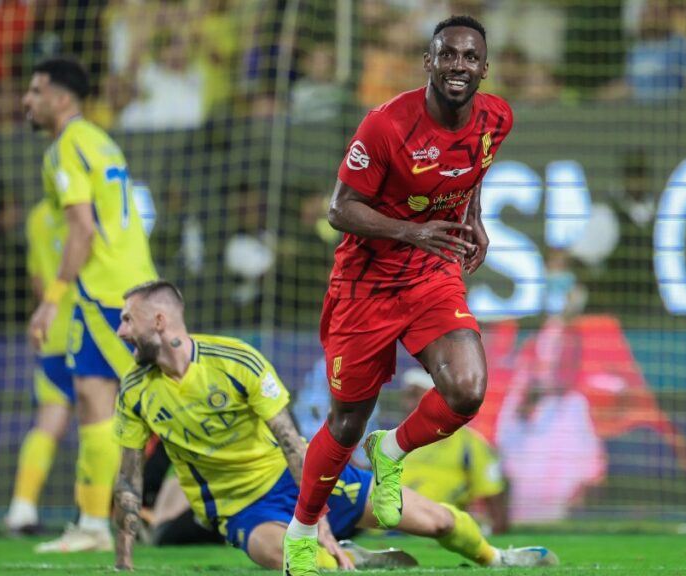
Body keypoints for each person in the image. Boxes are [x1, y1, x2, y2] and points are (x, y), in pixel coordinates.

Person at [111, 280, 559, 571]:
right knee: (306, 565)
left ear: (159, 320)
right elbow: (129, 477)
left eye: (127, 319)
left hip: (299, 481)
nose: (120, 331)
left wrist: (314, 517)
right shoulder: (134, 391)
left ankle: (497, 557)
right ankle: (349, 557)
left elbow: (290, 442)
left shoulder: (237, 362)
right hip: (242, 509)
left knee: (439, 522)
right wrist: (123, 560)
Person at [284, 15, 516, 575]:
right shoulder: (386, 126)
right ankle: (300, 533)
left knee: (467, 389)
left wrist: (475, 218)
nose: (458, 65)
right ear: (429, 62)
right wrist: (413, 230)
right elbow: (340, 209)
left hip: (431, 273)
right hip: (364, 285)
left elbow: (474, 165)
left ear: (483, 68)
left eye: (469, 57)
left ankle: (391, 450)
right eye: (448, 55)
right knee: (345, 423)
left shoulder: (497, 117)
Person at [22, 56, 158, 552]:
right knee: (93, 400)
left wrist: (50, 301)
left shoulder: (66, 147)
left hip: (106, 291)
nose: (26, 100)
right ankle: (92, 524)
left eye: (35, 91)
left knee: (159, 404)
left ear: (61, 98)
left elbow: (83, 228)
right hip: (120, 284)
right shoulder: (100, 139)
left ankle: (283, 500)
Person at [3, 198, 76, 534]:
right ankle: (98, 514)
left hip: (53, 333)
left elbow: (37, 280)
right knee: (105, 422)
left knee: (49, 421)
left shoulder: (37, 215)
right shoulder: (90, 210)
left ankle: (21, 507)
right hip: (91, 331)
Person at [399, 368, 509, 534]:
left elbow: (494, 500)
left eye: (415, 396)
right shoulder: (394, 438)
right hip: (382, 530)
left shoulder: (471, 445)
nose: (408, 404)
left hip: (434, 530)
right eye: (407, 396)